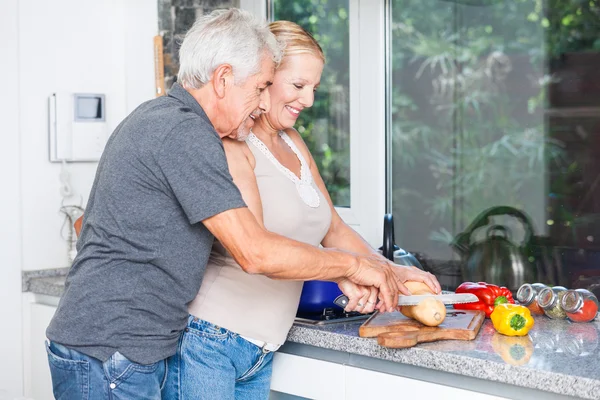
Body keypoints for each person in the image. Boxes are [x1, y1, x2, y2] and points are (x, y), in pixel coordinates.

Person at [45, 9, 438, 400]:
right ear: (223, 79)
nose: (260, 102)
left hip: (121, 346)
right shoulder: (183, 132)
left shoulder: (172, 120)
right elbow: (255, 251)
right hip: (110, 347)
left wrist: (376, 269)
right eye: (260, 86)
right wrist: (353, 265)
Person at [164, 20, 441, 400]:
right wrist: (348, 270)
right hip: (210, 340)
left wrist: (389, 270)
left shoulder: (292, 141)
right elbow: (258, 250)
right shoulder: (232, 146)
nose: (308, 100)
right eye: (298, 86)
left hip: (261, 348)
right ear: (263, 77)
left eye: (314, 88)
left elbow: (335, 229)